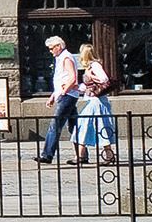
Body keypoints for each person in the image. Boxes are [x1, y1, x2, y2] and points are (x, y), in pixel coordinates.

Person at [36, 36, 82, 165]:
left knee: (55, 125)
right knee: (74, 126)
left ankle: (47, 155)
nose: (50, 51)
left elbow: (73, 78)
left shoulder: (66, 57)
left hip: (68, 96)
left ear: (58, 47)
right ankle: (82, 155)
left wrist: (63, 92)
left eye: (51, 48)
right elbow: (61, 79)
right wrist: (53, 96)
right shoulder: (61, 58)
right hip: (67, 95)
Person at [76, 52, 116, 164]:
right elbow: (87, 86)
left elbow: (104, 79)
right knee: (84, 125)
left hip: (97, 101)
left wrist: (91, 76)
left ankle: (82, 155)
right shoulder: (89, 67)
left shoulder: (95, 65)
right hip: (92, 100)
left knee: (94, 126)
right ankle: (81, 154)